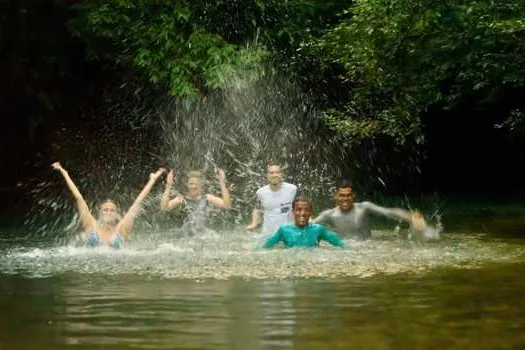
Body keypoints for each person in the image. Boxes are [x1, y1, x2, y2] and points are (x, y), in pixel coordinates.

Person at [51, 162, 164, 248]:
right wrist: (63, 172)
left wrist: (152, 180)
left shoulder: (121, 229)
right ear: (99, 212)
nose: (108, 212)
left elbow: (138, 202)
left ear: (116, 214)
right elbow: (79, 197)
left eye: (112, 210)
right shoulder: (91, 224)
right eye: (105, 210)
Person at [311, 179, 427, 240]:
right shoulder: (329, 214)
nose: (345, 199)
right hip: (344, 252)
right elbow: (310, 225)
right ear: (336, 196)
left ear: (353, 195)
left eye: (348, 195)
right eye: (342, 195)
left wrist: (411, 216)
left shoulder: (364, 207)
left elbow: (388, 212)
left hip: (367, 247)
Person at [252, 196, 345, 249]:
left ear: (311, 213)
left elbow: (341, 244)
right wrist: (251, 249)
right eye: (299, 210)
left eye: (306, 210)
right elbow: (265, 246)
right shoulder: (284, 230)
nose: (303, 213)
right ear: (293, 212)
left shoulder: (318, 229)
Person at [160, 168, 231, 235]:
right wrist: (169, 185)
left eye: (197, 184)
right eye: (191, 184)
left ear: (201, 185)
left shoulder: (207, 198)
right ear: (187, 185)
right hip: (185, 237)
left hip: (205, 236)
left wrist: (222, 182)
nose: (193, 187)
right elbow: (164, 208)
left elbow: (227, 205)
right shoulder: (181, 199)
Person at [245, 163, 298, 235]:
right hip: (268, 234)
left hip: (288, 232)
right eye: (271, 173)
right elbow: (257, 209)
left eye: (277, 172)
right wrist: (254, 224)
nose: (275, 175)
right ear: (267, 175)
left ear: (282, 174)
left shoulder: (292, 189)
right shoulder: (261, 192)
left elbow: (302, 205)